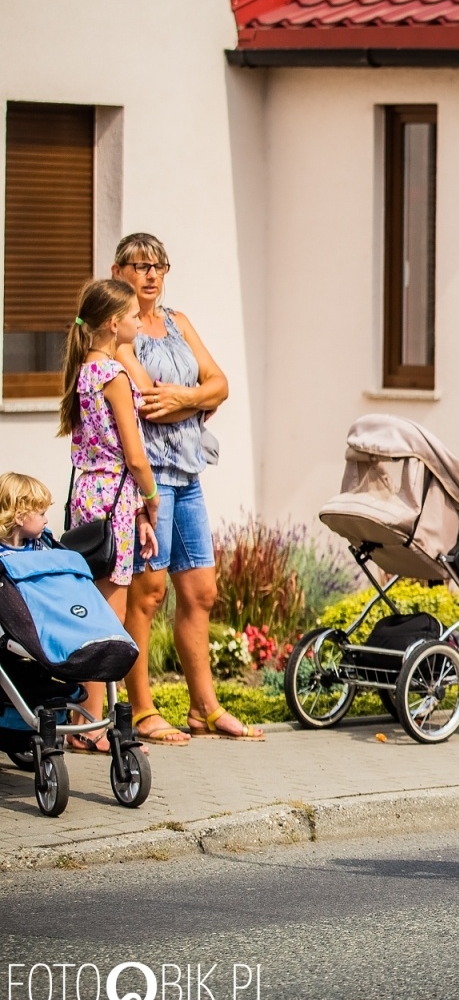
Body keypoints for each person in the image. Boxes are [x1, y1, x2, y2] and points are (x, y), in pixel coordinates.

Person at [112, 234, 255, 743]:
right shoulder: (116, 328)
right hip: (148, 479)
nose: (151, 275)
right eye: (140, 265)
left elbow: (220, 383)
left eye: (159, 266)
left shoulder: (178, 322)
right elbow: (148, 398)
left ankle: (204, 709)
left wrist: (188, 397)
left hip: (188, 475)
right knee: (147, 595)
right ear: (119, 269)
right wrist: (196, 399)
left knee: (201, 591)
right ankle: (143, 711)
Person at [56, 280, 161, 751]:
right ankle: (93, 725)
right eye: (135, 316)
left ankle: (85, 714)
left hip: (86, 496)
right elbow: (135, 456)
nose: (141, 322)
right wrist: (151, 500)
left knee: (88, 604)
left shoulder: (83, 369)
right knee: (108, 614)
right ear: (114, 324)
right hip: (115, 497)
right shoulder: (115, 375)